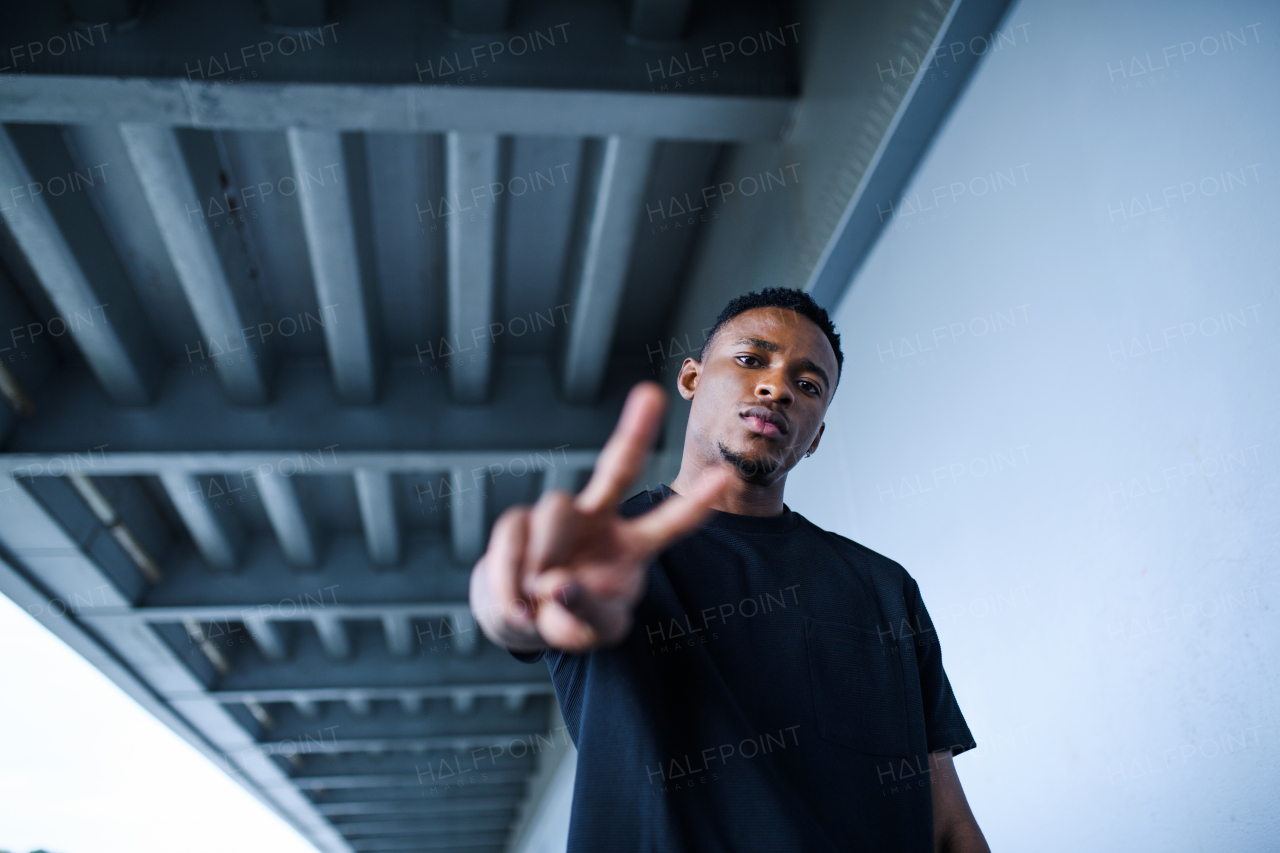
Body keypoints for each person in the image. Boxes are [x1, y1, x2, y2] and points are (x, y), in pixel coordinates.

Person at [470, 288, 990, 852]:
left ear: (816, 436)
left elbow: (949, 822)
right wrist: (520, 591)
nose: (777, 388)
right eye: (751, 359)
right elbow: (513, 616)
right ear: (691, 379)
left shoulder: (886, 588)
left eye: (808, 385)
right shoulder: (604, 556)